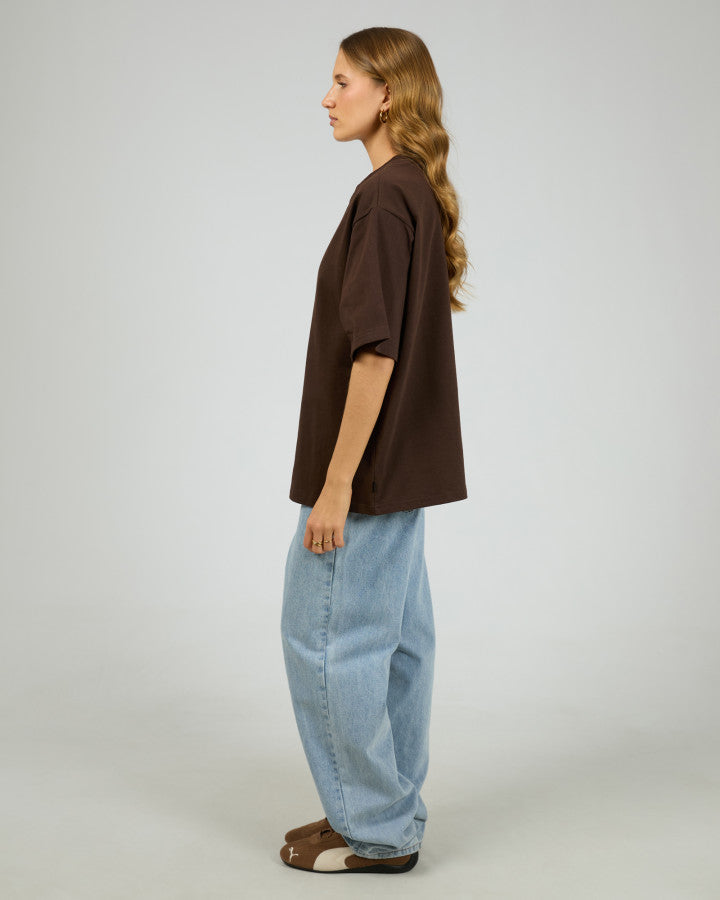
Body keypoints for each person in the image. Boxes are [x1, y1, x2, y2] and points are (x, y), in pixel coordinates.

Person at [279, 26, 470, 875]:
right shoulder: (412, 191)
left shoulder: (385, 199)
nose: (327, 98)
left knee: (325, 640)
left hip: (367, 476)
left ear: (387, 92)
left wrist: (336, 485)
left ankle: (379, 831)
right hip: (404, 472)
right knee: (394, 645)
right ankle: (378, 808)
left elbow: (375, 355)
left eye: (342, 81)